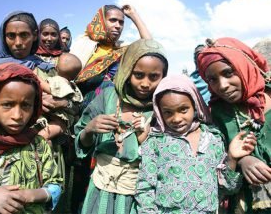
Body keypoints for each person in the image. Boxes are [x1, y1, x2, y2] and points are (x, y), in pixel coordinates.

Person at [135, 75, 257, 213]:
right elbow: (145, 187)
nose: (176, 118)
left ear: (195, 105)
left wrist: (232, 158)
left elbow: (228, 188)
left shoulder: (213, 138)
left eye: (183, 109)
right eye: (167, 112)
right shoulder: (155, 142)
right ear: (159, 112)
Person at [74, 39, 168, 214]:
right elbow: (82, 143)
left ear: (164, 76)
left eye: (154, 77)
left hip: (141, 194)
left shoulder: (163, 105)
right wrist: (90, 129)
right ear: (126, 71)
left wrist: (147, 136)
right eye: (138, 75)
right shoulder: (108, 97)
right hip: (100, 188)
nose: (145, 83)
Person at [0, 62, 63, 214]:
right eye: (7, 105)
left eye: (26, 105)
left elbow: (55, 185)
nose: (17, 116)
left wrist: (29, 195)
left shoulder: (38, 143)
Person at [197, 37, 271, 213]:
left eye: (229, 73)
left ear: (244, 66)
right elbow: (216, 161)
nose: (222, 85)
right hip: (246, 203)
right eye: (212, 79)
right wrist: (241, 161)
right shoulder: (217, 113)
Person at [71, 4, 152, 111]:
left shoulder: (121, 49)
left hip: (114, 110)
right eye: (113, 20)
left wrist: (134, 15)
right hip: (82, 109)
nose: (118, 25)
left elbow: (149, 46)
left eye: (121, 22)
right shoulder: (83, 45)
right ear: (101, 21)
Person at [0, 11, 54, 112]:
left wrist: (62, 102)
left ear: (35, 35)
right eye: (11, 36)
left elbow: (70, 99)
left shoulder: (44, 66)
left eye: (24, 35)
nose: (18, 43)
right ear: (3, 37)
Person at [35, 53, 83, 140]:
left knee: (55, 127)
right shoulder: (72, 85)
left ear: (56, 67)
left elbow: (51, 90)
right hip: (65, 117)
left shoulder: (59, 81)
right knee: (59, 126)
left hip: (59, 115)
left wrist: (37, 78)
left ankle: (39, 140)